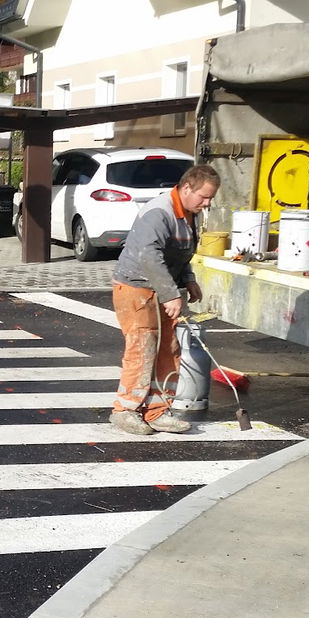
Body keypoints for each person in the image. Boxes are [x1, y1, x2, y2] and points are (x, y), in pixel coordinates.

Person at [108, 163, 220, 436]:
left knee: (168, 350)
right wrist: (171, 294)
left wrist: (188, 279)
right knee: (142, 348)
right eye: (203, 197)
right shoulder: (159, 212)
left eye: (211, 198)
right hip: (137, 288)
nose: (206, 204)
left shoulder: (188, 213)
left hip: (161, 287)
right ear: (185, 188)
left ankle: (157, 410)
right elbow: (150, 256)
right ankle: (125, 410)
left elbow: (180, 251)